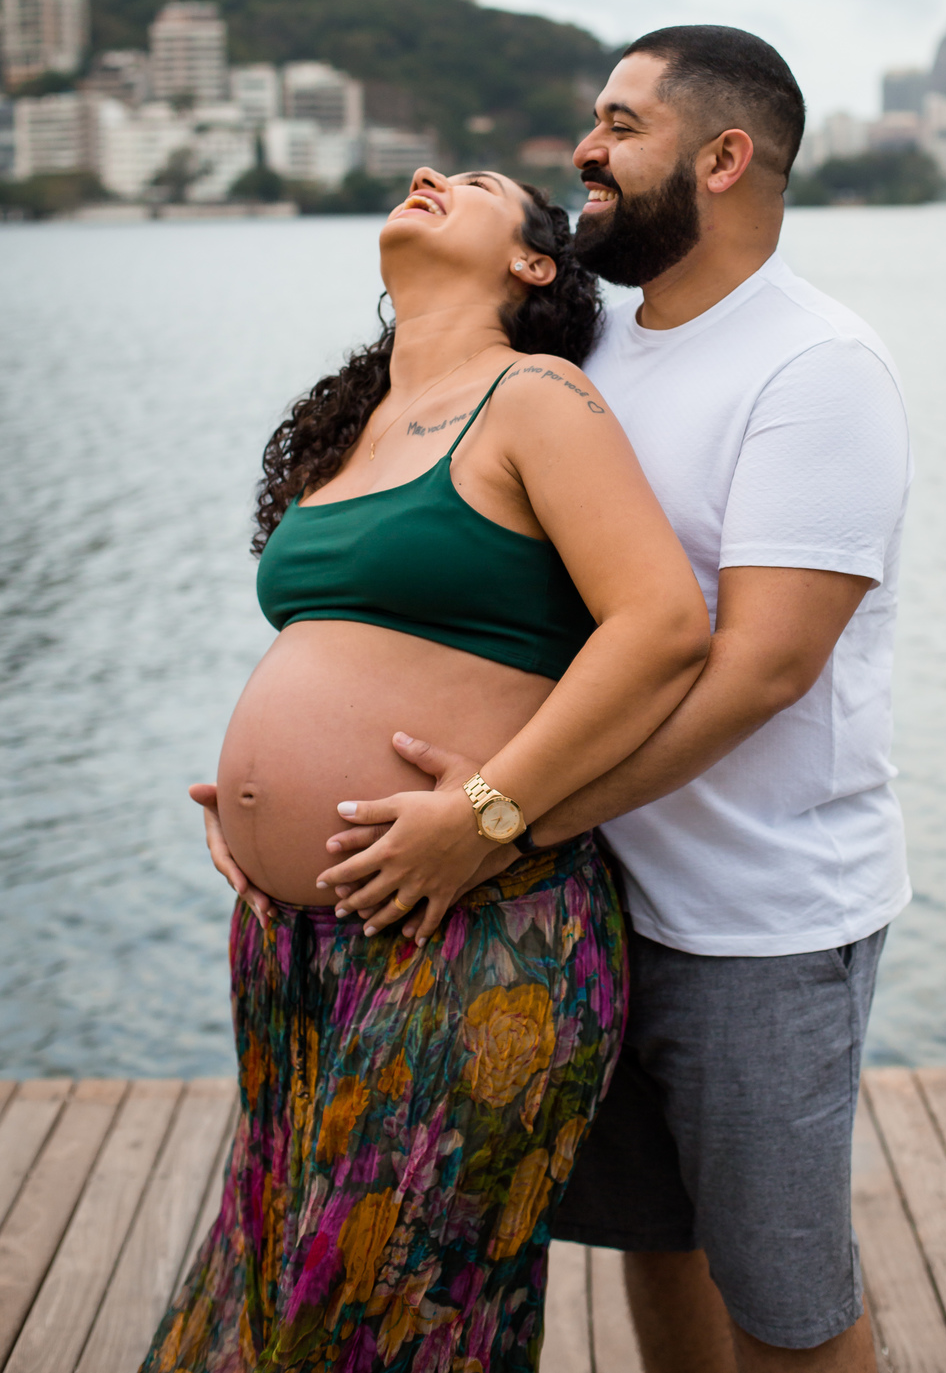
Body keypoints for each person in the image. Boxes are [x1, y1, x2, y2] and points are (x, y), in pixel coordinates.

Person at [334, 27, 913, 1372]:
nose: (584, 153)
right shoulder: (586, 345)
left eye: (621, 124)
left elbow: (762, 667)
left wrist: (506, 818)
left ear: (724, 158)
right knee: (661, 1243)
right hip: (589, 900)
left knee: (785, 1298)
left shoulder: (817, 366)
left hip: (757, 914)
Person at [148, 170, 711, 1373]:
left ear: (535, 265)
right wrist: (250, 801)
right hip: (298, 944)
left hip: (469, 930)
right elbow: (354, 646)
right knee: (271, 1299)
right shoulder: (349, 426)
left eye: (473, 184)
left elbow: (663, 627)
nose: (427, 180)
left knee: (391, 1321)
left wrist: (486, 809)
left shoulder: (537, 395)